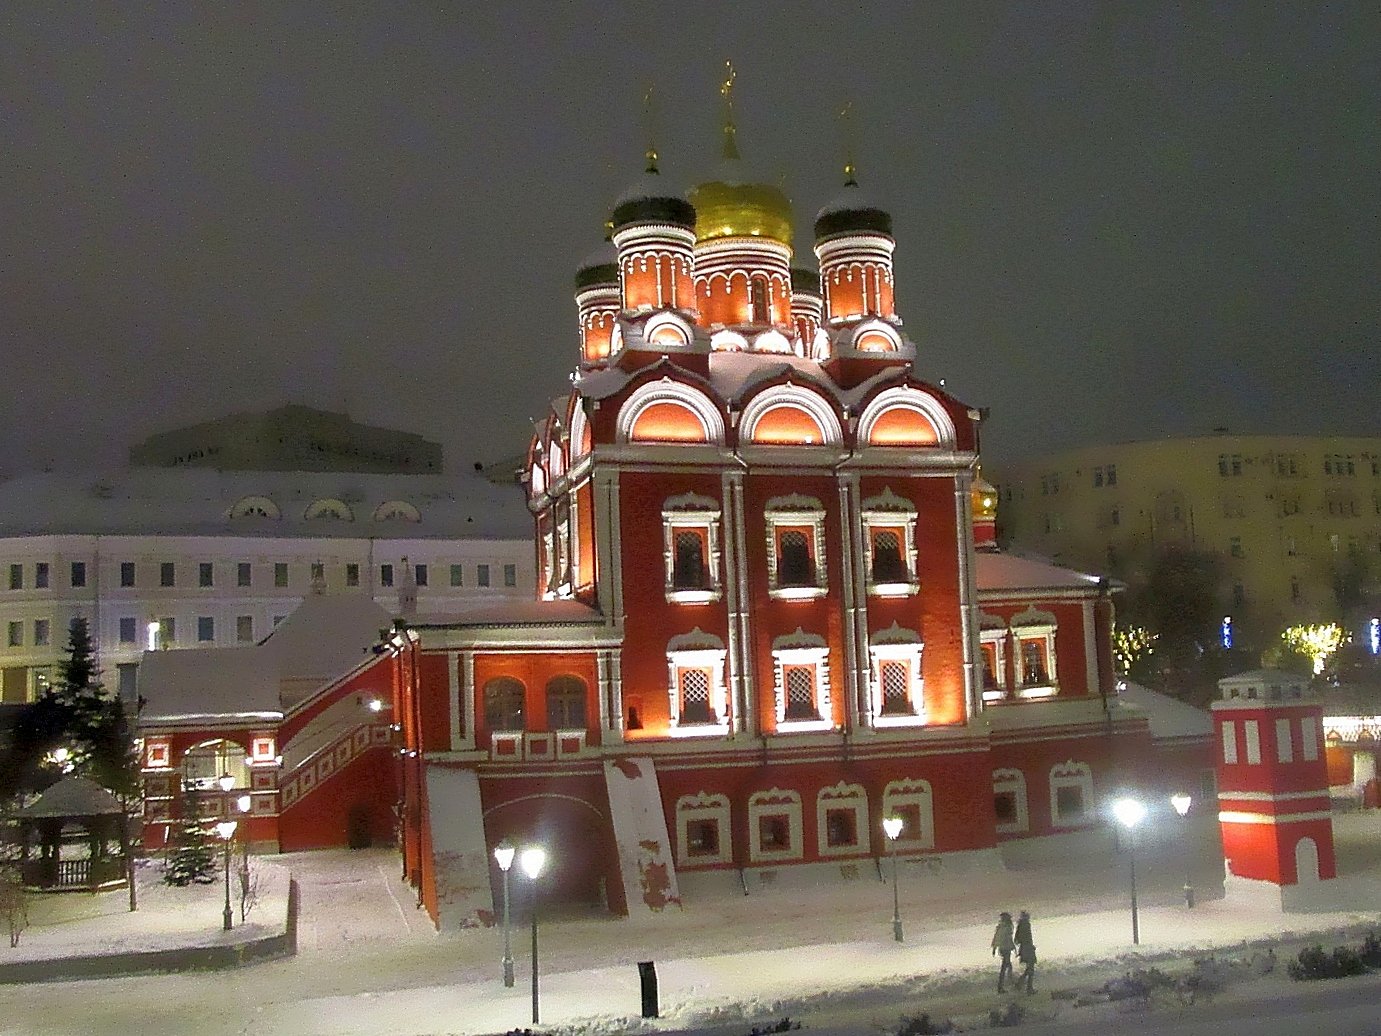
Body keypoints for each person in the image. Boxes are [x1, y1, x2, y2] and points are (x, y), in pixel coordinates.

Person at [990, 911, 1014, 993]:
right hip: (1006, 949)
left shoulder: (1001, 927)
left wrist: (994, 948)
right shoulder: (1006, 927)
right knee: (1005, 967)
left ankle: (1005, 984)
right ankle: (1003, 985)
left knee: (1007, 966)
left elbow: (996, 938)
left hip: (1003, 948)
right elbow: (1007, 938)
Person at [1014, 910, 1037, 994]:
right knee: (1031, 968)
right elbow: (1028, 938)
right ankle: (1028, 988)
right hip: (1028, 948)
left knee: (1029, 968)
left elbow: (1016, 940)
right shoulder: (1026, 925)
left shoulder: (1019, 925)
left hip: (1024, 948)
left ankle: (1021, 984)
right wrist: (1031, 946)